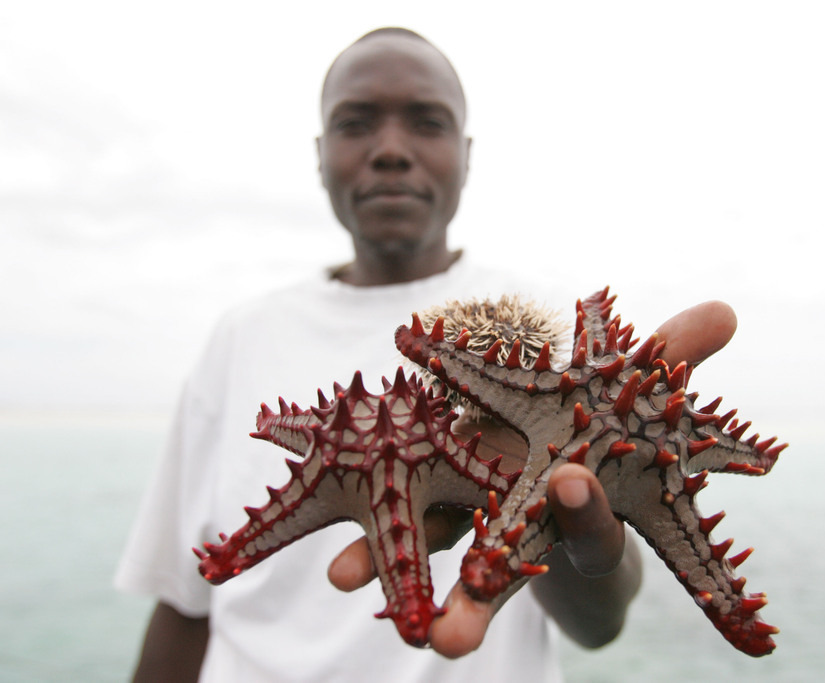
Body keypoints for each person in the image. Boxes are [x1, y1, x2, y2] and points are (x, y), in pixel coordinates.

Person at [116, 27, 738, 682]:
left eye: (427, 122)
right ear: (321, 153)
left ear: (465, 156)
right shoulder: (241, 336)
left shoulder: (556, 336)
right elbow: (188, 600)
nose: (390, 150)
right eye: (356, 123)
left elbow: (599, 625)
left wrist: (569, 527)